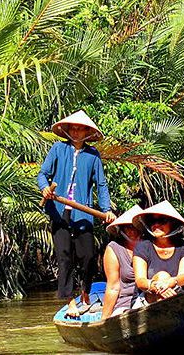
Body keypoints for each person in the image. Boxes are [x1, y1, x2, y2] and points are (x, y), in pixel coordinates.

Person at [37, 110, 115, 318]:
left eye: (81, 128)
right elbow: (43, 174)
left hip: (83, 212)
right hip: (59, 211)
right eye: (74, 128)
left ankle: (86, 293)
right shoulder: (58, 149)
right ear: (68, 130)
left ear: (87, 132)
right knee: (64, 256)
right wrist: (45, 188)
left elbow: (101, 183)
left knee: (88, 255)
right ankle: (70, 301)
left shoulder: (92, 155)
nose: (77, 131)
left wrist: (106, 210)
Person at [131, 201, 184, 307]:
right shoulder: (143, 247)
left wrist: (170, 283)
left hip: (177, 297)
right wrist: (157, 286)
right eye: (153, 221)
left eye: (162, 221)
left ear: (173, 224)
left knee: (164, 278)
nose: (156, 225)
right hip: (147, 300)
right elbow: (140, 281)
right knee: (162, 276)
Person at [101, 204, 143, 319]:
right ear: (123, 229)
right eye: (128, 227)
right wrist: (104, 319)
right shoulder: (114, 248)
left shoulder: (150, 245)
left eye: (136, 227)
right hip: (125, 303)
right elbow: (113, 287)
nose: (133, 230)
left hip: (148, 298)